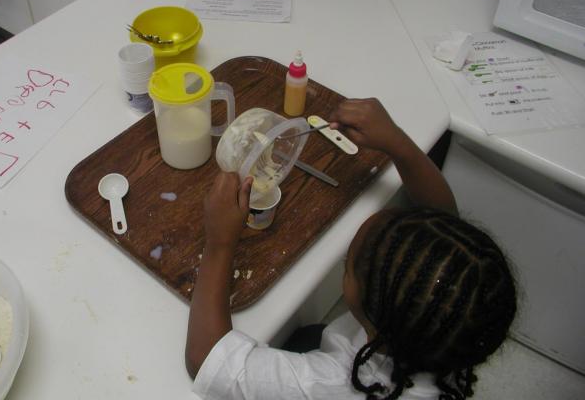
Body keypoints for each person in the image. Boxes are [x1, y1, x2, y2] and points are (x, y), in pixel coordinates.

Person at [185, 98, 517, 400]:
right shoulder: (451, 328)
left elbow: (207, 361)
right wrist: (397, 143)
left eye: (347, 267)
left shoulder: (335, 385)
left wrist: (219, 242)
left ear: (365, 306)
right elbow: (444, 221)